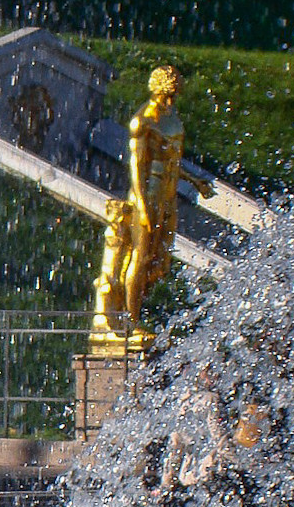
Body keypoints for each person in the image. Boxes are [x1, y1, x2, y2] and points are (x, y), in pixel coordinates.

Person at [90, 66, 213, 352]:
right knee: (140, 257)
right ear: (157, 90)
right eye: (167, 96)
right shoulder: (142, 121)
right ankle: (130, 321)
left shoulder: (171, 119)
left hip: (168, 198)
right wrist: (143, 208)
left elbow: (171, 160)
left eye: (174, 96)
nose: (171, 102)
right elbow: (137, 169)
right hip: (148, 198)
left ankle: (132, 310)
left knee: (159, 263)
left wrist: (195, 181)